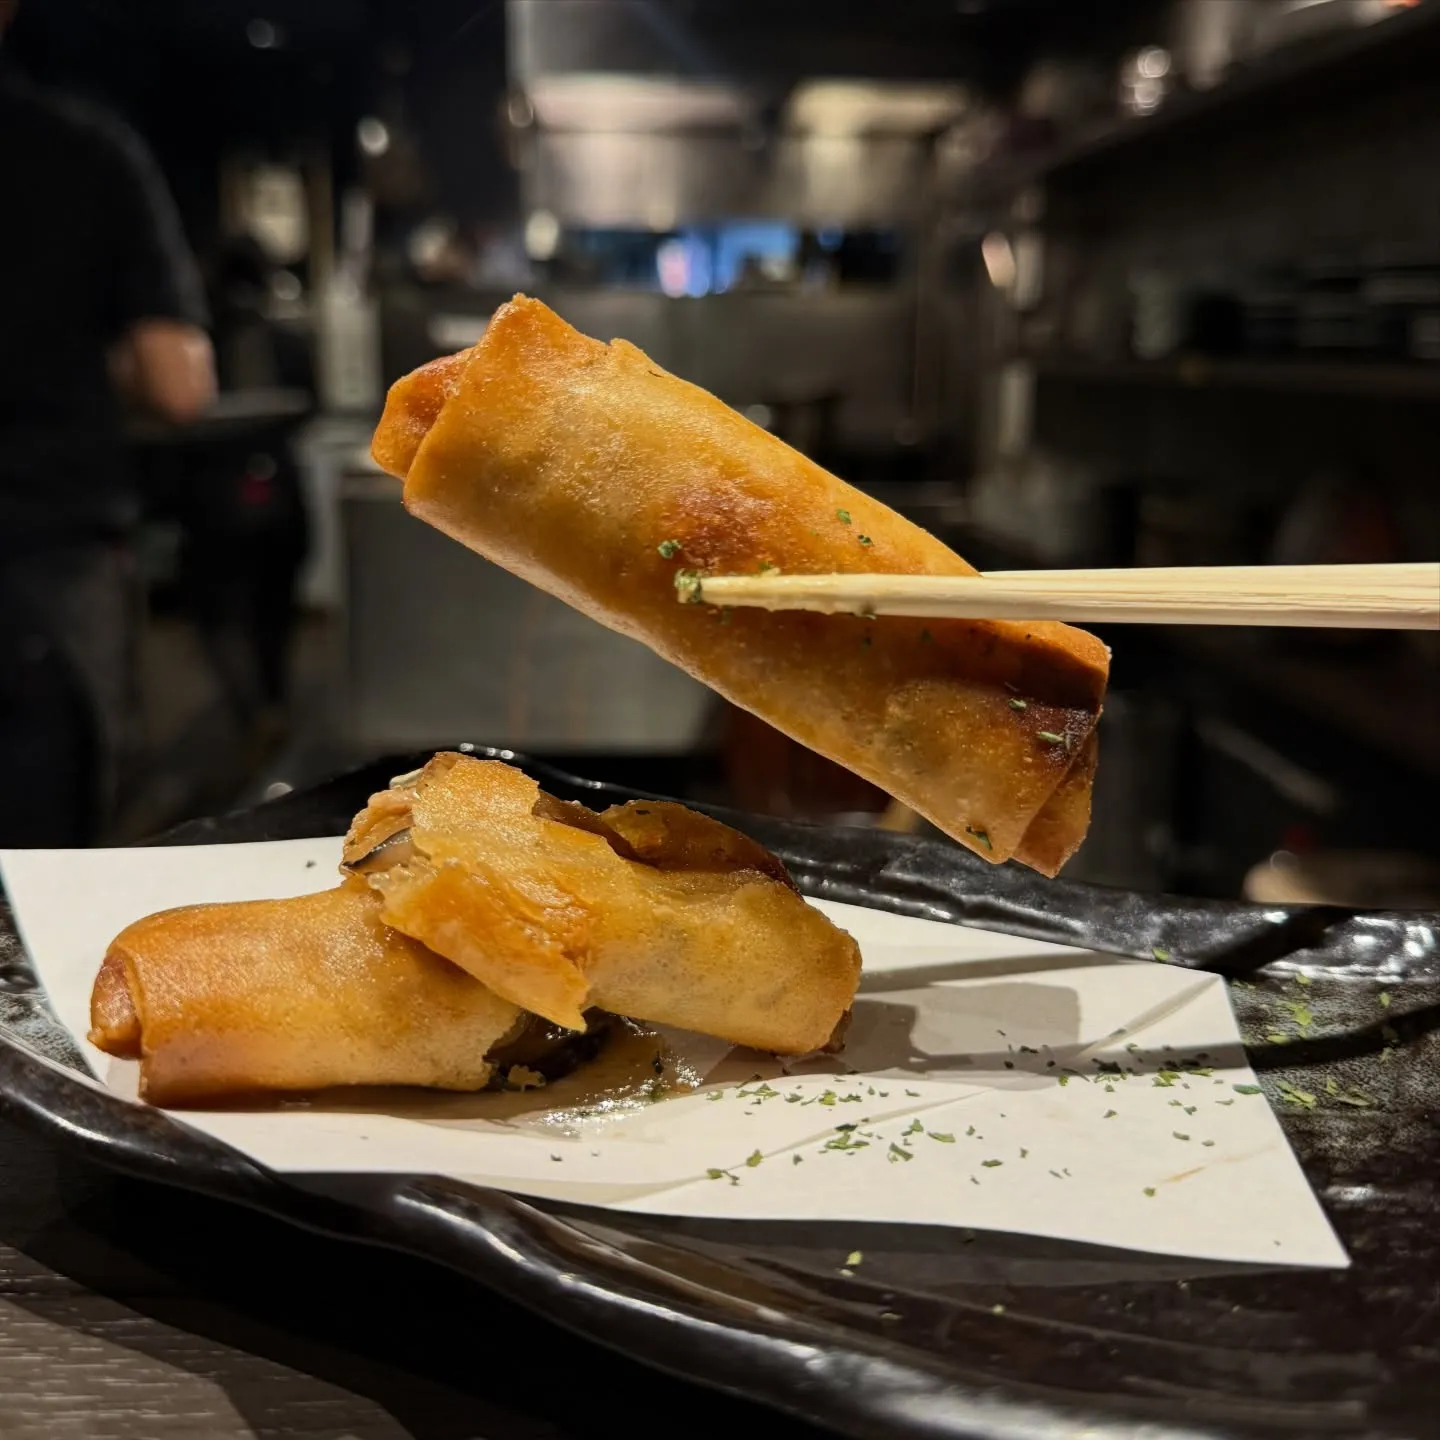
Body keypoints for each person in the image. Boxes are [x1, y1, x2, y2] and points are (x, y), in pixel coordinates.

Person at [0, 4, 216, 846]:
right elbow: (179, 385)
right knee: (41, 869)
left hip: (47, 561)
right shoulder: (83, 153)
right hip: (45, 567)